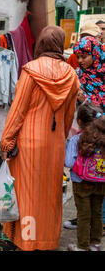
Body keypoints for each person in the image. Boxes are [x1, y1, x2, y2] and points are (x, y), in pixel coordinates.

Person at [0, 26, 80, 251]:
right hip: (53, 145)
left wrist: (7, 141)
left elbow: (18, 109)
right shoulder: (71, 75)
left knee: (27, 196)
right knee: (48, 197)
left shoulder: (31, 70)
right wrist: (59, 138)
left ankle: (27, 239)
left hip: (28, 144)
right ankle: (44, 241)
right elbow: (68, 116)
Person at [64, 102, 105, 251]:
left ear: (79, 121)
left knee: (83, 216)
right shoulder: (103, 138)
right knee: (97, 213)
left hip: (81, 182)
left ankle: (82, 246)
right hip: (101, 182)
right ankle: (95, 244)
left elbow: (68, 162)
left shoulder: (77, 139)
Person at [73, 36, 105, 111]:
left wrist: (86, 100)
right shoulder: (78, 73)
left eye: (84, 57)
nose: (80, 61)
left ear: (95, 54)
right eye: (78, 57)